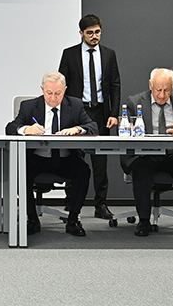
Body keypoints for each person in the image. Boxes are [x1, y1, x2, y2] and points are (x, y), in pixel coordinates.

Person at [6, 72, 98, 236]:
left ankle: (73, 220)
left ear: (65, 90)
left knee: (83, 171)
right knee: (21, 171)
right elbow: (11, 128)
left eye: (58, 93)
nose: (53, 98)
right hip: (37, 159)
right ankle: (32, 219)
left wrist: (78, 129)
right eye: (49, 93)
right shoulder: (29, 106)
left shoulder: (75, 105)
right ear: (42, 89)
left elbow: (93, 126)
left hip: (66, 158)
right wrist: (26, 129)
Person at [120, 68, 173, 237]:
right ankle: (144, 221)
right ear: (150, 85)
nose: (162, 95)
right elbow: (123, 127)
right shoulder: (134, 101)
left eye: (167, 90)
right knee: (141, 170)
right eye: (158, 90)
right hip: (147, 154)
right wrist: (129, 128)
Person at [58, 14, 120, 220]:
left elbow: (115, 86)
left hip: (100, 112)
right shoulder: (70, 54)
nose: (95, 36)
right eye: (90, 33)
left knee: (100, 161)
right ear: (81, 33)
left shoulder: (109, 54)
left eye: (98, 32)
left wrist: (114, 113)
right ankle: (71, 203)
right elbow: (61, 86)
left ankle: (101, 204)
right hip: (77, 111)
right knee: (74, 158)